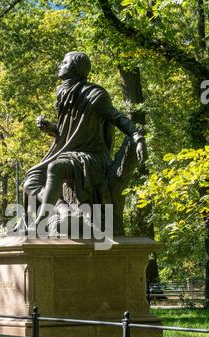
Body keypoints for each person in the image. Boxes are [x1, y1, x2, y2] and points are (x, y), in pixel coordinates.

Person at [22, 51, 147, 231]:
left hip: (91, 157)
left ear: (75, 68)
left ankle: (43, 217)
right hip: (67, 153)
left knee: (55, 167)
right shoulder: (63, 93)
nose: (59, 65)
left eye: (64, 62)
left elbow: (118, 118)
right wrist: (50, 127)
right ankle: (62, 209)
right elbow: (68, 133)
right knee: (30, 180)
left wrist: (137, 137)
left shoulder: (95, 95)